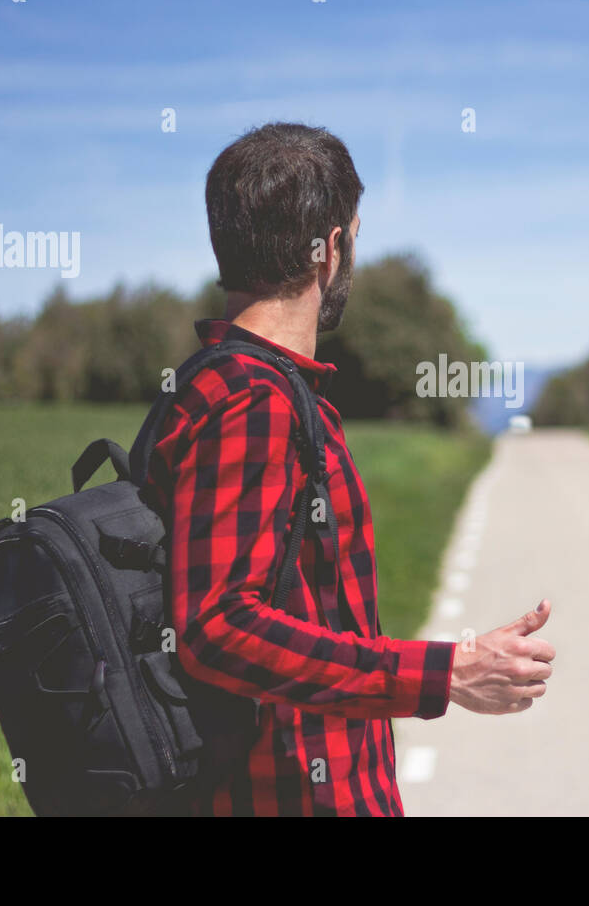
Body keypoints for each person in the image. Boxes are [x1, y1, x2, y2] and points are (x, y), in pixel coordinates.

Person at [141, 122, 556, 816]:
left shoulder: (227, 386)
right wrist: (445, 673)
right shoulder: (254, 401)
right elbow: (217, 624)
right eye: (352, 236)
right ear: (329, 249)